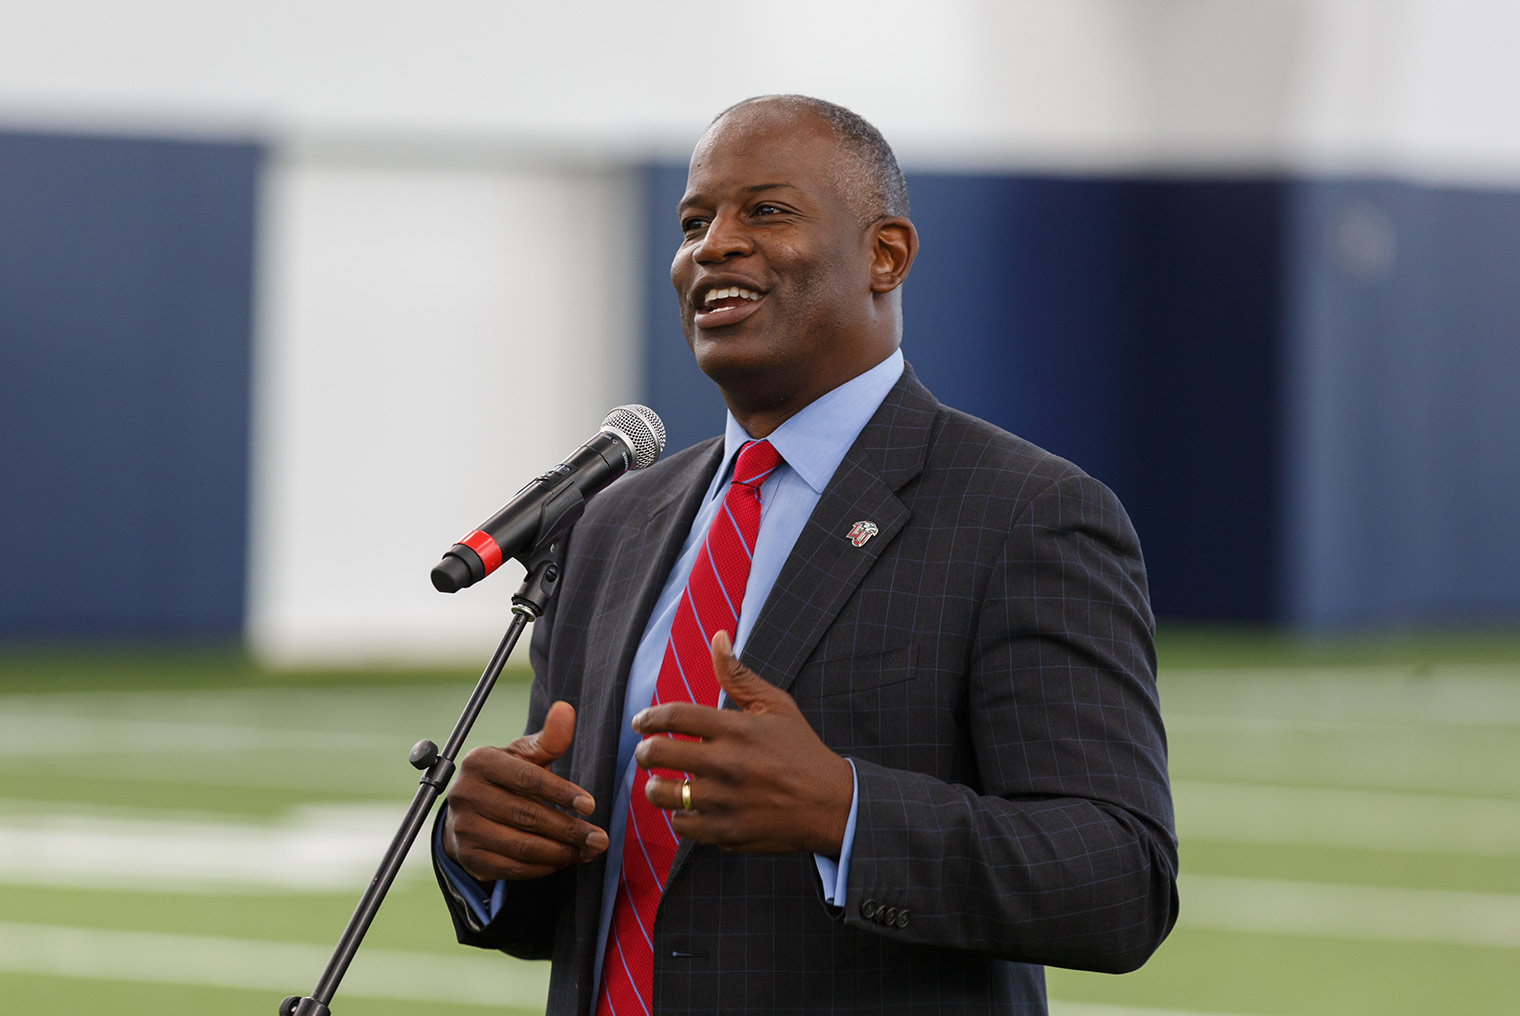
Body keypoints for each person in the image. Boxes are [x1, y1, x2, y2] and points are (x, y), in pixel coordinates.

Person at [432, 94, 1177, 1015]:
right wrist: (489, 851)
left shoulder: (1026, 513)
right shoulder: (611, 525)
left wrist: (844, 811)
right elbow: (598, 903)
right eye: (694, 222)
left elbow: (1119, 881)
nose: (714, 246)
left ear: (886, 254)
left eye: (766, 212)